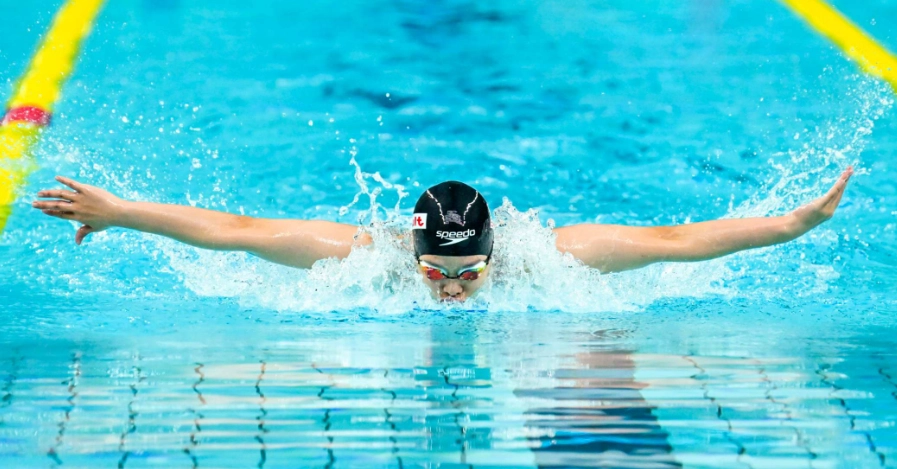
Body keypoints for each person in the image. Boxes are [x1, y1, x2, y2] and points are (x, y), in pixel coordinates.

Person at [32, 167, 854, 302]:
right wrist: (123, 211)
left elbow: (678, 241)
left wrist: (793, 223)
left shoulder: (551, 257)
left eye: (465, 272)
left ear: (495, 252)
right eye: (436, 272)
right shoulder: (368, 260)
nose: (452, 287)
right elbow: (240, 232)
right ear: (412, 251)